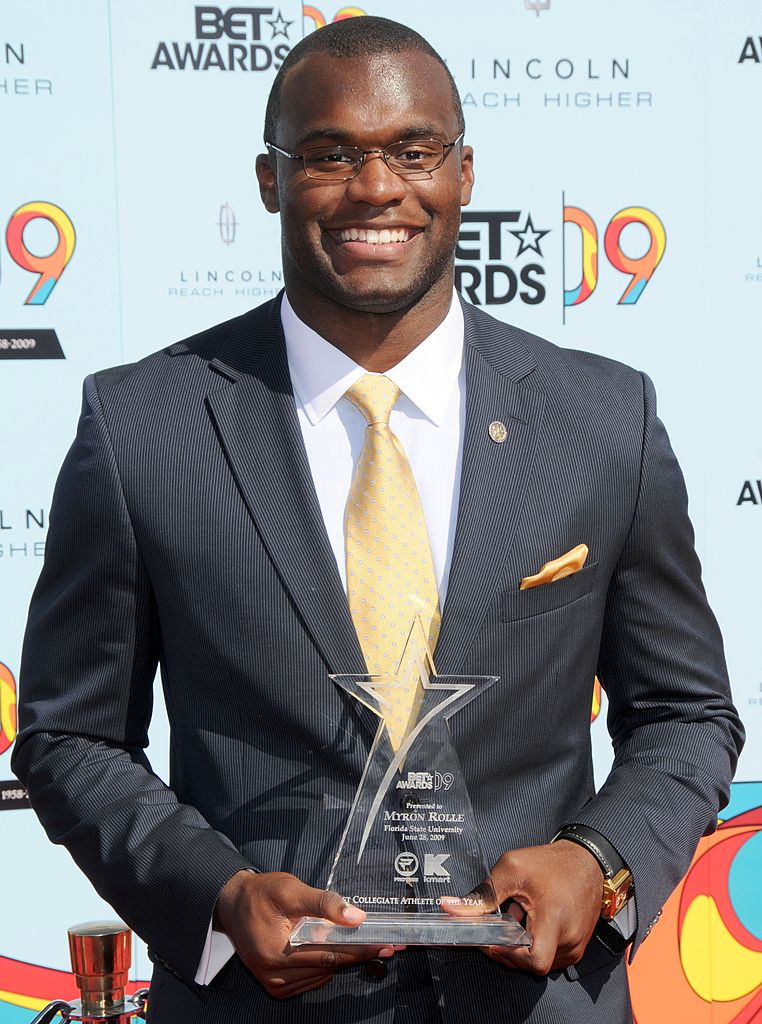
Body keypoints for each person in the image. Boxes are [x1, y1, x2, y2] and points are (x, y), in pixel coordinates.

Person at [13, 16, 743, 1024]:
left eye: (413, 149)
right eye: (328, 155)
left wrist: (599, 862)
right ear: (271, 181)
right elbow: (71, 737)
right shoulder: (142, 429)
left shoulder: (604, 418)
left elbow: (686, 716)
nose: (376, 187)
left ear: (465, 172)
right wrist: (217, 899)